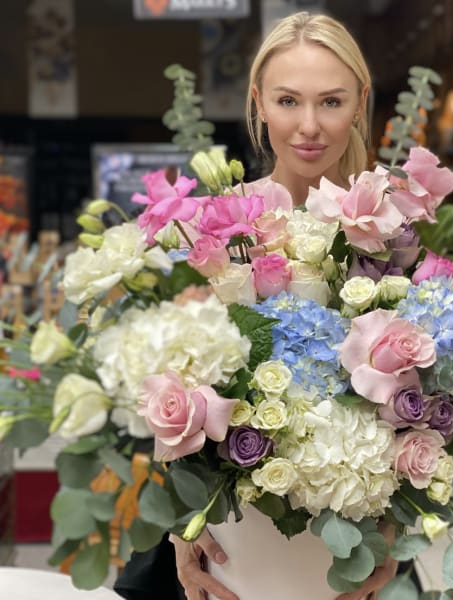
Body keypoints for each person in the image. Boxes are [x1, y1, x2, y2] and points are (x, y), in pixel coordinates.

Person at [115, 11, 418, 600]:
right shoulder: (215, 228)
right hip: (231, 549)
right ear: (258, 103)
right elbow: (171, 394)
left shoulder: (392, 232)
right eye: (287, 101)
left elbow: (421, 404)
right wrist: (182, 526)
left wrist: (389, 539)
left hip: (347, 544)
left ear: (360, 104)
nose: (309, 126)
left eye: (331, 102)